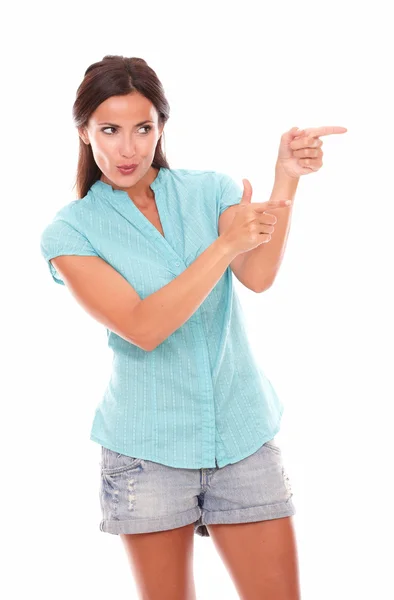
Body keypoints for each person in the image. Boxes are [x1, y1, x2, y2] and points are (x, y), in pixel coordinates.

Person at [40, 54, 339, 600]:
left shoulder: (209, 190)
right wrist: (223, 246)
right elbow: (143, 326)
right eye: (110, 129)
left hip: (242, 434)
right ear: (84, 132)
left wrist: (286, 181)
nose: (128, 148)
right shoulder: (70, 232)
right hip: (147, 453)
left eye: (143, 128)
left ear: (161, 128)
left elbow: (258, 273)